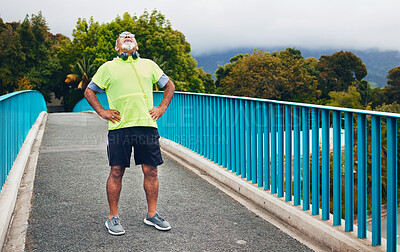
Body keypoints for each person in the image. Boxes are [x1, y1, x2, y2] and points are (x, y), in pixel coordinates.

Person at [84, 31, 175, 236]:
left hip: (146, 125)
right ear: (117, 48)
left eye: (131, 37)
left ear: (136, 45)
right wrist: (102, 112)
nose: (127, 37)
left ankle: (152, 214)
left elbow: (169, 85)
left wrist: (161, 108)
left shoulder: (149, 64)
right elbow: (89, 91)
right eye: (122, 37)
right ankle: (112, 217)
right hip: (119, 127)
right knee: (116, 171)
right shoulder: (108, 68)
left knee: (151, 171)